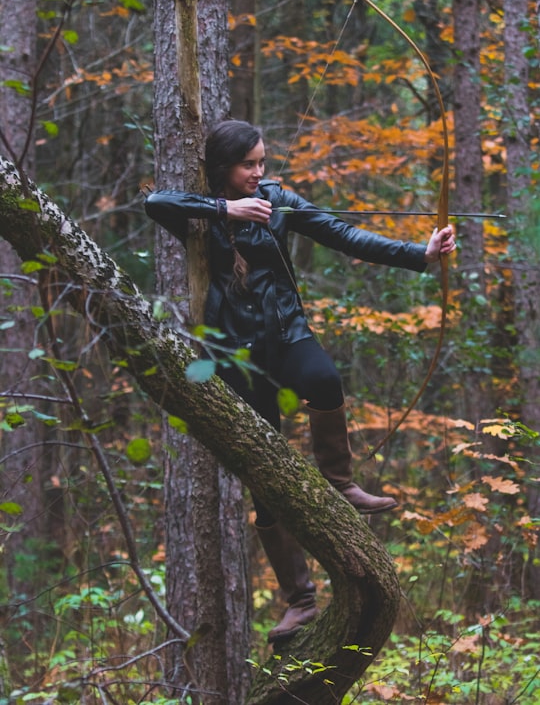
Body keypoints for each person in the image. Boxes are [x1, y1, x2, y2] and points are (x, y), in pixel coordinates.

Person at [144, 119, 457, 644]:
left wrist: (420, 254)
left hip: (286, 332)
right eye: (249, 165)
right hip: (236, 354)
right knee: (265, 473)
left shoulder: (277, 200)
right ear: (224, 168)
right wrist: (227, 209)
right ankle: (300, 600)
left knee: (325, 379)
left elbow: (343, 234)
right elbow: (155, 203)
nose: (259, 172)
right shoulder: (205, 209)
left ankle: (339, 482)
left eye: (262, 163)